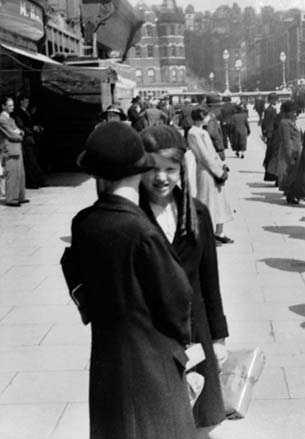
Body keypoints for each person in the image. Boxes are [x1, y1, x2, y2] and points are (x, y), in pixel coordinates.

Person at [67, 121, 197, 438]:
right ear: (139, 172)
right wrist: (183, 345)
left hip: (107, 359)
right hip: (153, 363)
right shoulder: (142, 232)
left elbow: (79, 283)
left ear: (96, 175)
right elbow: (178, 298)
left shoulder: (83, 223)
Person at [139, 125, 229, 433]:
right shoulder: (132, 217)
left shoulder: (198, 214)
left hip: (194, 330)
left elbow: (210, 280)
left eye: (170, 169)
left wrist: (218, 337)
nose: (161, 177)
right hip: (151, 335)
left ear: (182, 170)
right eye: (152, 169)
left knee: (197, 417)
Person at [187, 107, 234, 244]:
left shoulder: (203, 132)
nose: (208, 118)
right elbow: (204, 156)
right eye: (206, 116)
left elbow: (212, 152)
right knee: (208, 202)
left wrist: (222, 165)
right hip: (206, 172)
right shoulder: (193, 133)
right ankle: (207, 235)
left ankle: (219, 232)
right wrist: (218, 172)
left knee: (219, 202)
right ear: (201, 117)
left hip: (214, 170)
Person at [0, 96, 27, 207]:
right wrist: (19, 134)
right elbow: (12, 134)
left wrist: (19, 132)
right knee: (12, 174)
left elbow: (19, 131)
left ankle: (20, 197)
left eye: (13, 105)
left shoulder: (10, 119)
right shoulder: (2, 119)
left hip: (16, 148)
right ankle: (11, 199)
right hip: (10, 149)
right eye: (10, 105)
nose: (12, 107)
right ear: (3, 106)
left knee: (20, 174)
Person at [14, 94, 45, 189]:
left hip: (31, 139)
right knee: (29, 161)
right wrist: (32, 129)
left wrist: (37, 128)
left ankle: (38, 181)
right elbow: (21, 126)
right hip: (26, 139)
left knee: (33, 161)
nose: (27, 103)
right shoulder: (19, 113)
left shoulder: (27, 112)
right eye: (26, 101)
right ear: (21, 102)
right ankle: (31, 182)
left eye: (28, 101)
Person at [276, 100, 302, 204]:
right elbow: (286, 140)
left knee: (294, 172)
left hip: (295, 150)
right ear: (288, 112)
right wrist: (289, 155)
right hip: (290, 151)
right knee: (290, 172)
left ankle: (292, 193)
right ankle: (290, 195)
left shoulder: (293, 122)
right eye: (293, 111)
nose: (295, 114)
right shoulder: (285, 123)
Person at [261, 93, 279, 183]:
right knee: (271, 153)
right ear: (271, 100)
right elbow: (265, 123)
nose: (276, 101)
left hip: (274, 133)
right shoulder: (269, 110)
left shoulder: (273, 109)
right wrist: (265, 134)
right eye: (274, 99)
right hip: (270, 134)